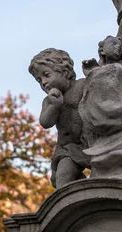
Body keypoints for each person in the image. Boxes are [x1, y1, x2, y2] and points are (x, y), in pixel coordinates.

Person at [29, 48, 91, 188]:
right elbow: (45, 122)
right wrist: (54, 106)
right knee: (61, 178)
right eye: (39, 80)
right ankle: (73, 205)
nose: (43, 82)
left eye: (46, 75)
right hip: (67, 148)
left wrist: (94, 71)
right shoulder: (49, 101)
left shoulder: (82, 85)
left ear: (64, 71)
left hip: (89, 142)